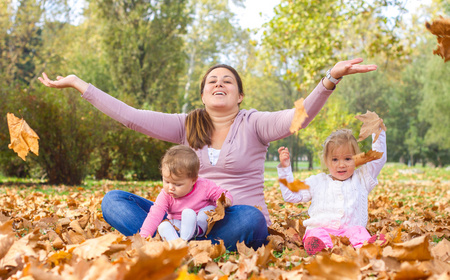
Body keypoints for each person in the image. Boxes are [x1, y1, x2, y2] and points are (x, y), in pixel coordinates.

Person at [39, 58, 377, 251]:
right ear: (202, 93)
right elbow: (131, 117)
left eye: (227, 81)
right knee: (113, 201)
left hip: (233, 219)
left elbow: (296, 118)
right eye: (212, 81)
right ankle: (176, 242)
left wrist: (330, 78)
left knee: (252, 219)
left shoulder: (255, 123)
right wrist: (80, 84)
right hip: (178, 217)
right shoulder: (186, 124)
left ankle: (176, 246)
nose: (219, 84)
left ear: (240, 95)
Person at [277, 125, 387, 255]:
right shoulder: (317, 181)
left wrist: (377, 131)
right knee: (316, 233)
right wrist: (285, 169)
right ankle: (321, 249)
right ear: (326, 161)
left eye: (347, 158)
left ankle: (366, 247)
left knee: (359, 232)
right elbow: (291, 195)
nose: (341, 164)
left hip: (350, 232)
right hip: (322, 229)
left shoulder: (362, 178)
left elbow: (379, 159)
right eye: (335, 159)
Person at [140, 145, 233, 241]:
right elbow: (155, 215)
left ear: (193, 180)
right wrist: (143, 236)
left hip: (202, 224)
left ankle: (196, 231)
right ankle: (178, 243)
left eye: (177, 184)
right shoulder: (165, 195)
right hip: (180, 225)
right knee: (168, 224)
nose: (171, 188)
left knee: (208, 211)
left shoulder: (204, 186)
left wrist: (226, 199)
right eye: (167, 182)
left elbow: (221, 193)